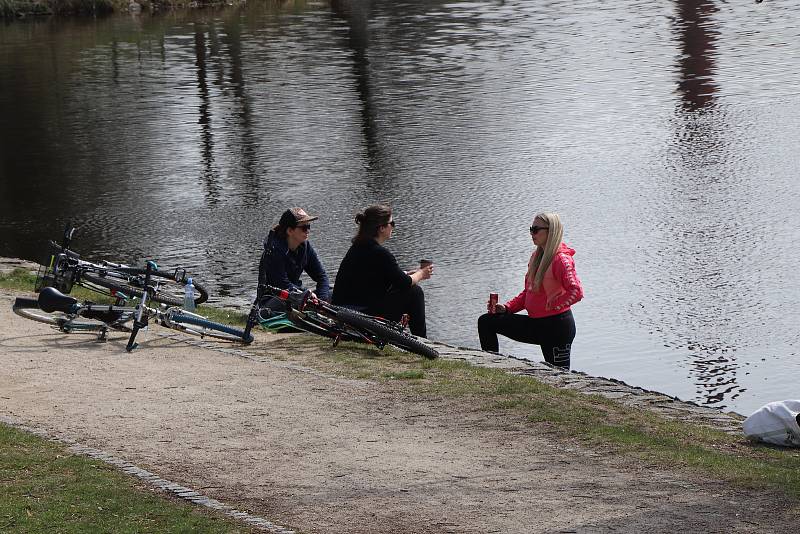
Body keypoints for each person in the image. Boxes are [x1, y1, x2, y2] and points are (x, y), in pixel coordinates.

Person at [477, 212, 583, 369]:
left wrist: (555, 304)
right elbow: (529, 292)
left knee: (559, 376)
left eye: (536, 229)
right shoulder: (536, 256)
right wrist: (507, 308)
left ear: (551, 231)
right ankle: (492, 369)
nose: (532, 233)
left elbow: (576, 291)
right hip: (537, 324)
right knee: (486, 322)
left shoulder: (561, 259)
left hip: (557, 327)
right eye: (531, 229)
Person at [332, 204, 432, 338]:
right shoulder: (380, 253)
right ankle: (422, 340)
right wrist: (422, 273)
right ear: (381, 228)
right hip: (362, 316)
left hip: (344, 312)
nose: (393, 227)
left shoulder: (357, 248)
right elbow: (405, 283)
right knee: (414, 292)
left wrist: (404, 273)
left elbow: (378, 277)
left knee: (404, 288)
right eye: (392, 223)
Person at [256, 207, 331, 311]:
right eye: (304, 228)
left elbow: (322, 277)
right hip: (273, 300)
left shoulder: (305, 247)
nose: (308, 231)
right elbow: (282, 285)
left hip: (296, 294)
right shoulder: (273, 251)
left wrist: (322, 301)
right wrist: (306, 293)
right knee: (289, 299)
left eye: (309, 226)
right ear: (290, 231)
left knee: (332, 292)